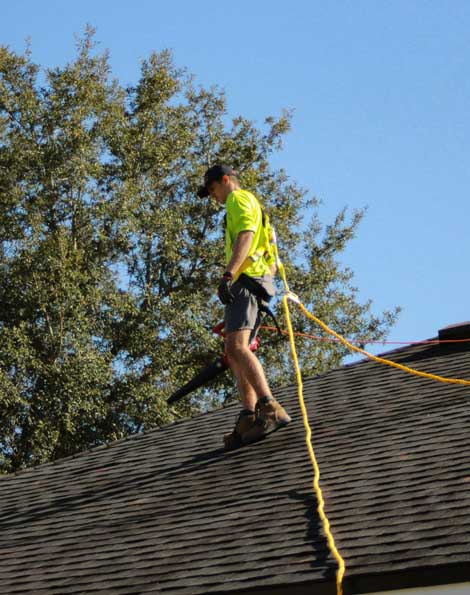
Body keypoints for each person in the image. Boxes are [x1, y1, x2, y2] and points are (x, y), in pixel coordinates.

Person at [197, 164, 291, 450]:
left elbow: (246, 235)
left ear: (226, 180)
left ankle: (269, 406)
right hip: (257, 280)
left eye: (213, 189)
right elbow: (271, 254)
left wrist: (229, 274)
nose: (214, 197)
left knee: (237, 347)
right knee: (234, 349)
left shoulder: (238, 199)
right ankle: (249, 415)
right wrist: (267, 281)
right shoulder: (255, 205)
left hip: (247, 281)